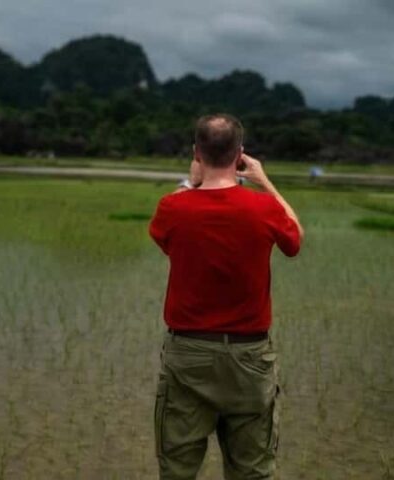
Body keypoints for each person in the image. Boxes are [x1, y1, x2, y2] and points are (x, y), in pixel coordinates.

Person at [148, 113, 303, 479]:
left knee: (177, 470)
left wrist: (191, 181)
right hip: (250, 357)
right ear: (240, 155)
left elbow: (164, 236)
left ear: (196, 153)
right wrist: (265, 182)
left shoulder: (174, 208)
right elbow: (294, 238)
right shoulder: (264, 209)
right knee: (253, 471)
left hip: (189, 355)